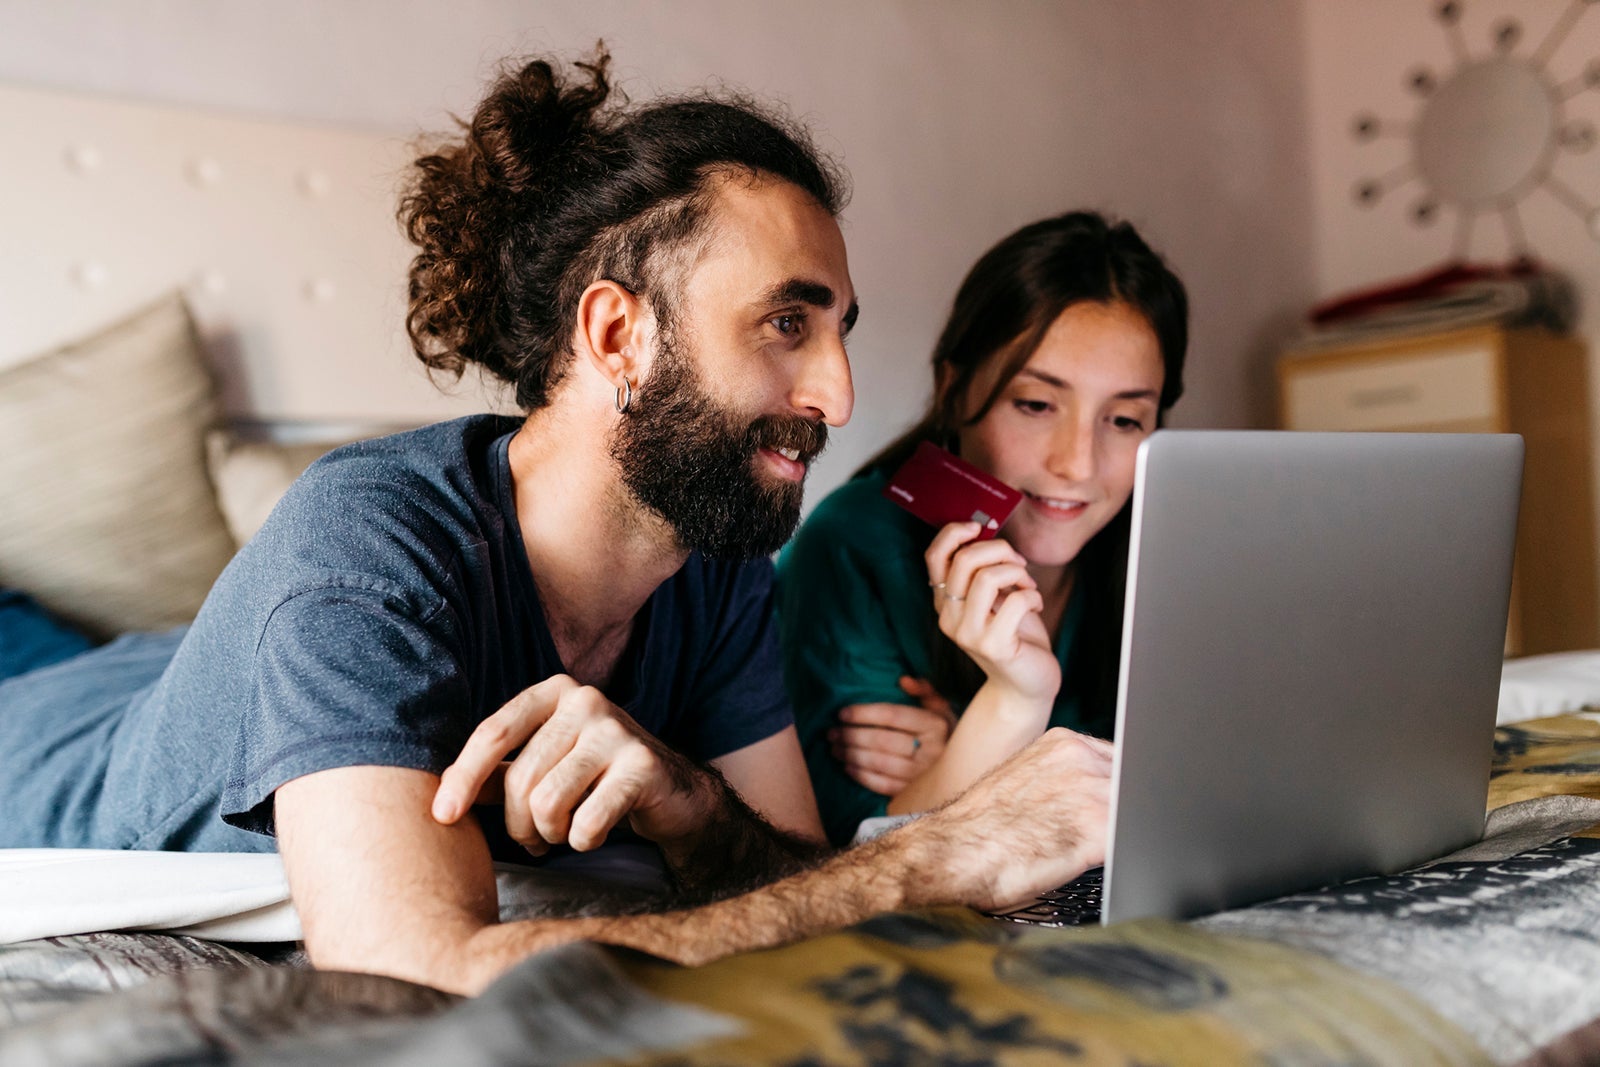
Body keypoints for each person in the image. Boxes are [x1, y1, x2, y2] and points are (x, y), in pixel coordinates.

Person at [0, 51, 1112, 995]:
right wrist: (940, 857)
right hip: (44, 741)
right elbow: (408, 965)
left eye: (838, 333)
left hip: (161, 671)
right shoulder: (367, 547)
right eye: (785, 323)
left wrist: (688, 801)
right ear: (617, 334)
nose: (838, 394)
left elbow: (793, 873)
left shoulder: (711, 553)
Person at [777, 213, 1188, 846]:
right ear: (953, 388)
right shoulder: (853, 547)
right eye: (1035, 405)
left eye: (1125, 420)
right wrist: (1005, 710)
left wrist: (977, 760)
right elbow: (852, 858)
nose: (1077, 464)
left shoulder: (1172, 548)